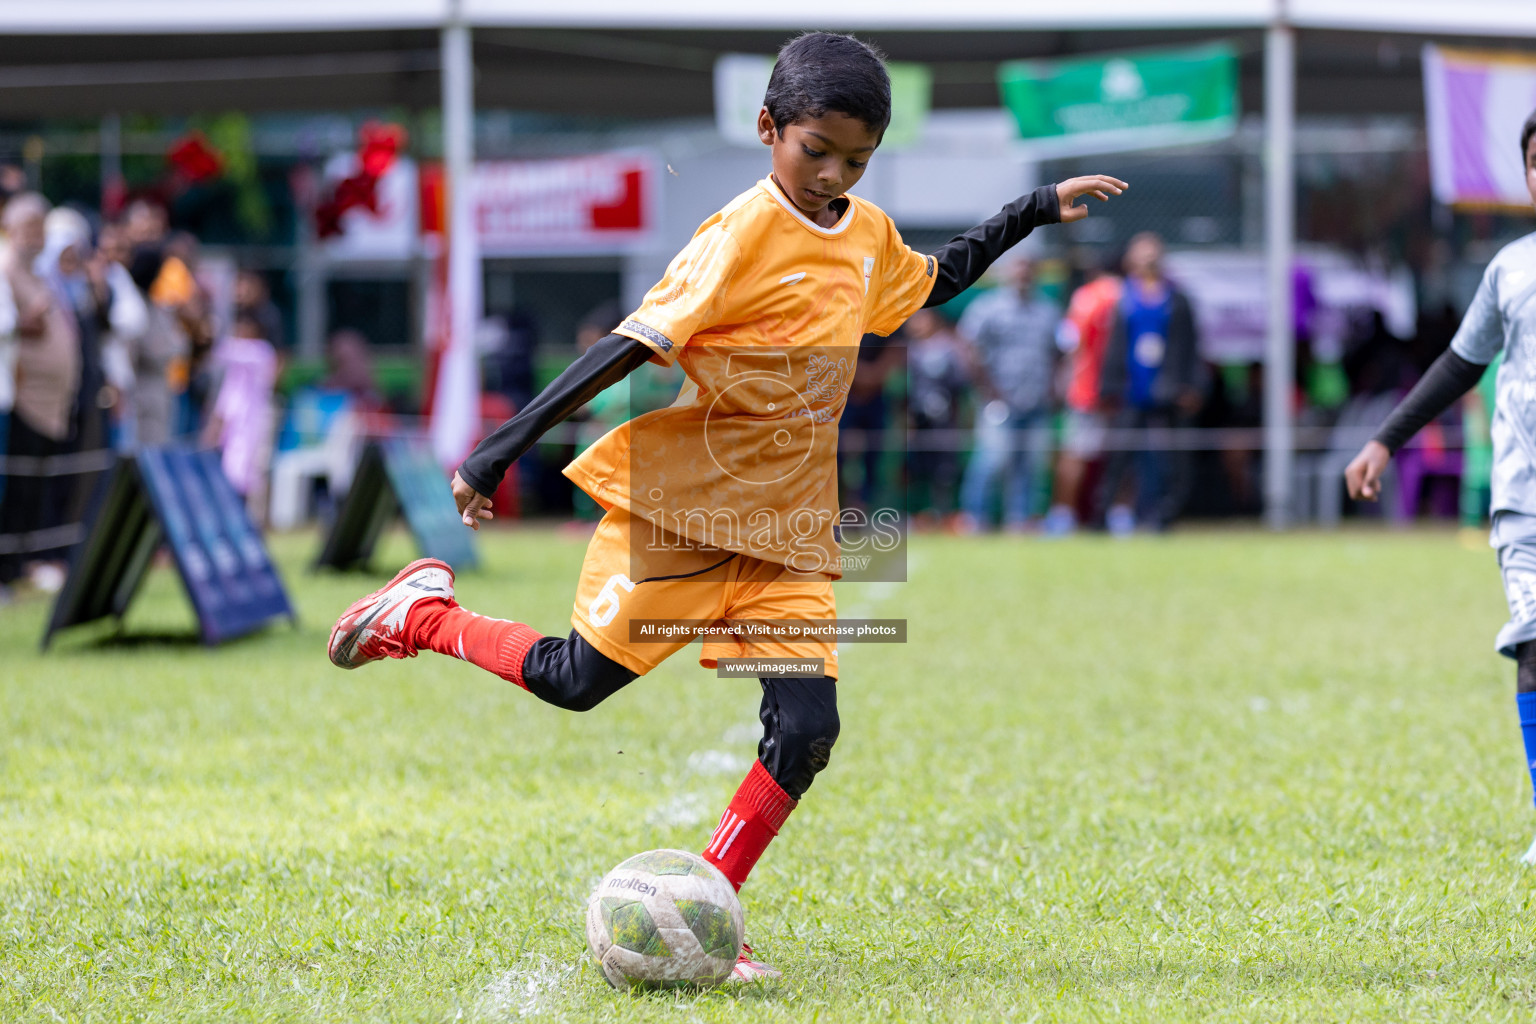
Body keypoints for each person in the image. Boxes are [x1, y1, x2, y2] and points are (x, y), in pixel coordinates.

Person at [325, 32, 1125, 979]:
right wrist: (497, 451)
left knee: (807, 733)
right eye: (814, 151)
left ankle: (704, 910)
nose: (832, 175)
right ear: (767, 129)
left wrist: (1031, 209)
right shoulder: (739, 232)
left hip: (788, 532)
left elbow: (931, 284)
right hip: (685, 514)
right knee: (576, 682)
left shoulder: (862, 232)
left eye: (855, 161)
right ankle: (425, 615)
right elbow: (629, 345)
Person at [1345, 109, 1536, 864]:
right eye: (1533, 159)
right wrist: (1385, 439)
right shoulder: (1511, 269)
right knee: (1533, 644)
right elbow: (1461, 363)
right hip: (1527, 499)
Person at [1097, 232, 1202, 534]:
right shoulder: (1122, 298)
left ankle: (1165, 516)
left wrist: (1191, 386)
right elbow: (1114, 346)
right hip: (1132, 389)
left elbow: (1191, 345)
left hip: (1170, 390)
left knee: (1172, 459)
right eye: (1141, 253)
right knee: (1119, 457)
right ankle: (1102, 516)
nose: (1148, 259)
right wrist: (1109, 387)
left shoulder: (1178, 299)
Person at [0, 193, 79, 592]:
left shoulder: (41, 273)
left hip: (51, 402)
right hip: (23, 400)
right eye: (30, 228)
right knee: (17, 488)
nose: (37, 237)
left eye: (41, 228)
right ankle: (9, 570)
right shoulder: (6, 269)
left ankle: (23, 567)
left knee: (37, 489)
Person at [955, 255, 1060, 532]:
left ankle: (1020, 521)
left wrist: (1054, 387)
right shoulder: (988, 307)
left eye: (1028, 270)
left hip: (1036, 399)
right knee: (992, 460)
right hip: (998, 400)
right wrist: (987, 390)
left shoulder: (1047, 310)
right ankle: (974, 518)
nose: (1023, 275)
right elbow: (969, 348)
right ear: (1006, 274)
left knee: (1030, 464)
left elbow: (1059, 353)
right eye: (1018, 270)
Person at [1044, 252, 1122, 535]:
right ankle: (1120, 516)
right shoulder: (1126, 295)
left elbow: (1068, 343)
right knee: (1119, 456)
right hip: (1119, 392)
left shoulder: (1086, 297)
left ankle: (1062, 516)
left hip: (1086, 391)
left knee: (1074, 455)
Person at [902, 308, 968, 526]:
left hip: (944, 422)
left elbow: (959, 387)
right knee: (916, 469)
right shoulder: (909, 351)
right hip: (918, 421)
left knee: (944, 472)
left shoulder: (949, 349)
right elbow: (903, 390)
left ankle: (944, 514)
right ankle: (918, 514)